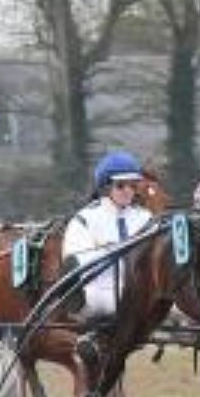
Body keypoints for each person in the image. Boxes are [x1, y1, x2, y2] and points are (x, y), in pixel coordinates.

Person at [65, 150, 154, 378]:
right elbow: (78, 260)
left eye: (133, 186)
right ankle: (94, 338)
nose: (128, 191)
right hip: (99, 291)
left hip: (141, 294)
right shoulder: (85, 219)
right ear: (106, 186)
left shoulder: (145, 218)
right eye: (120, 185)